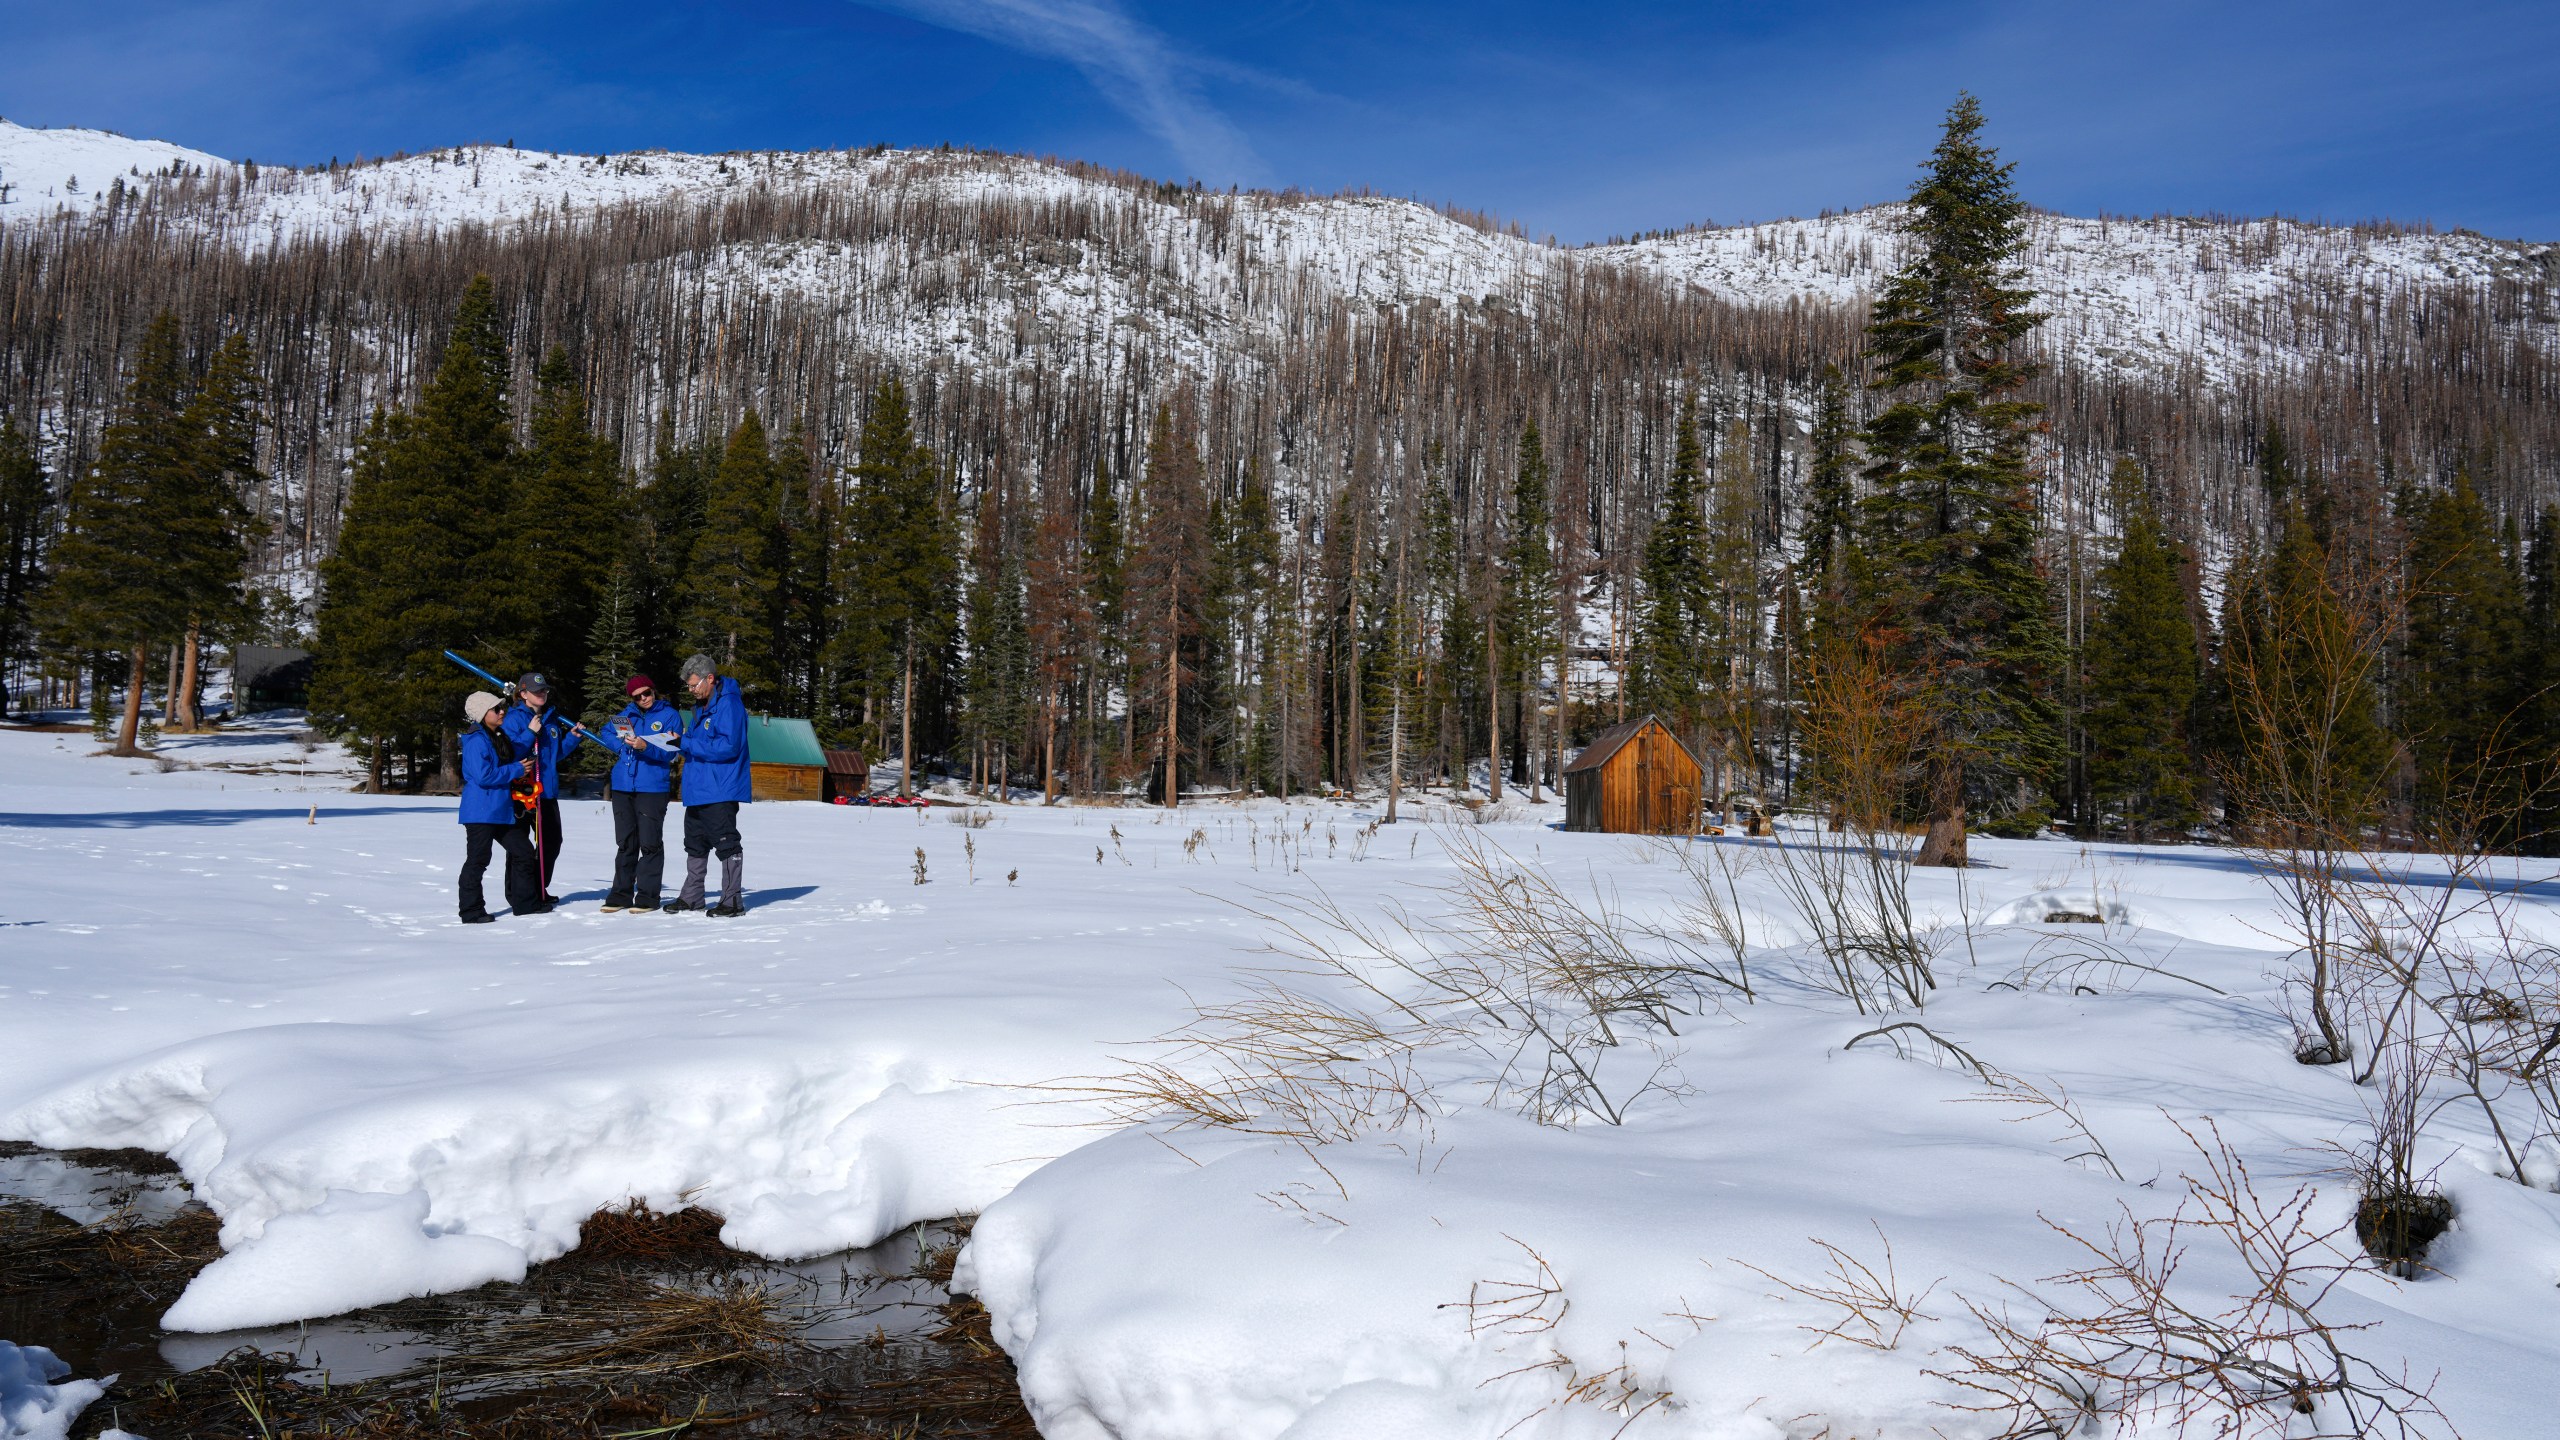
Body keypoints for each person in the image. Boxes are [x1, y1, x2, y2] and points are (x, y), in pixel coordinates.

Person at [666, 653, 751, 916]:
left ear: (710, 678)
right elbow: (695, 744)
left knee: (726, 844)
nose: (691, 690)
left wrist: (686, 743)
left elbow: (728, 746)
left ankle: (732, 900)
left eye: (694, 685)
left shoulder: (729, 705)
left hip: (719, 789)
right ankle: (692, 896)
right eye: (688, 686)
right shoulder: (701, 707)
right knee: (695, 843)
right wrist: (675, 742)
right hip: (697, 789)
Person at [458, 690, 545, 922]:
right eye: (496, 709)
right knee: (478, 860)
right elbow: (484, 776)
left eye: (501, 707)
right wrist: (517, 770)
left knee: (524, 852)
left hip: (500, 811)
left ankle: (525, 904)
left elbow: (512, 752)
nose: (501, 711)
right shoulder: (476, 741)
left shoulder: (495, 736)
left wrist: (529, 733)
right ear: (482, 713)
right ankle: (471, 911)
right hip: (480, 812)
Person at [501, 672, 586, 903]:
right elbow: (511, 753)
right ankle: (519, 893)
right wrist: (530, 732)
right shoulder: (513, 719)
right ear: (523, 694)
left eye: (545, 690)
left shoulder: (551, 718)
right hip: (522, 793)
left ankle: (539, 888)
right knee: (519, 847)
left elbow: (552, 756)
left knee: (551, 842)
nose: (543, 694)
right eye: (537, 691)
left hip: (546, 792)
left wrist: (572, 738)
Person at [603, 673, 679, 913]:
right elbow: (606, 733)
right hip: (623, 785)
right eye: (638, 696)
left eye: (647, 692)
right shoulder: (625, 715)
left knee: (650, 843)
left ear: (653, 690)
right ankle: (620, 894)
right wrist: (620, 746)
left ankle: (647, 897)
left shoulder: (669, 715)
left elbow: (671, 751)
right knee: (626, 843)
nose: (644, 698)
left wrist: (645, 747)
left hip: (652, 788)